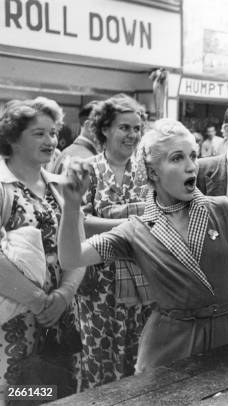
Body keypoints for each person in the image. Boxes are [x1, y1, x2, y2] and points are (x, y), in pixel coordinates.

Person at [58, 119, 228, 374]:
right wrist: (71, 206)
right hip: (169, 343)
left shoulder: (224, 209)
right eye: (177, 158)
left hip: (227, 333)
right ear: (153, 172)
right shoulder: (136, 229)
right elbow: (71, 258)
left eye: (193, 156)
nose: (191, 167)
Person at [0, 97, 84, 403]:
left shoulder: (61, 185)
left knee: (58, 393)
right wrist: (39, 301)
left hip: (60, 320)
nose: (51, 140)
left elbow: (79, 246)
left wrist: (64, 295)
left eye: (53, 132)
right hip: (14, 322)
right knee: (20, 396)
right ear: (12, 137)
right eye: (39, 133)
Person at [75, 95, 152, 389]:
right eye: (124, 127)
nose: (132, 135)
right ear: (105, 128)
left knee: (139, 358)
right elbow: (78, 221)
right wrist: (130, 223)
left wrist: (110, 222)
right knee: (99, 358)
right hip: (98, 284)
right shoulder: (87, 169)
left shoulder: (148, 170)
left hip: (141, 279)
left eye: (136, 128)